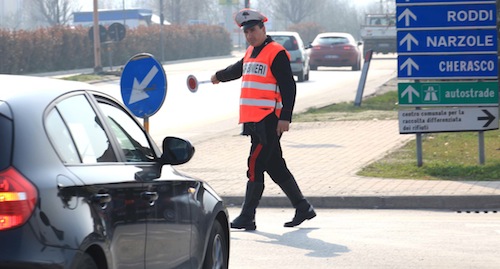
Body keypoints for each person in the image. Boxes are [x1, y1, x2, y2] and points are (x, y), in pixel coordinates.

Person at [210, 8, 316, 230]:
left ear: (263, 28)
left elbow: (289, 86)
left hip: (269, 119)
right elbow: (236, 70)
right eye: (246, 32)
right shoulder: (251, 52)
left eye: (253, 30)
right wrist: (218, 76)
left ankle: (248, 216)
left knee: (255, 163)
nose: (250, 35)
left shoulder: (275, 52)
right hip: (254, 121)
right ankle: (303, 207)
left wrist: (285, 117)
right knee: (275, 166)